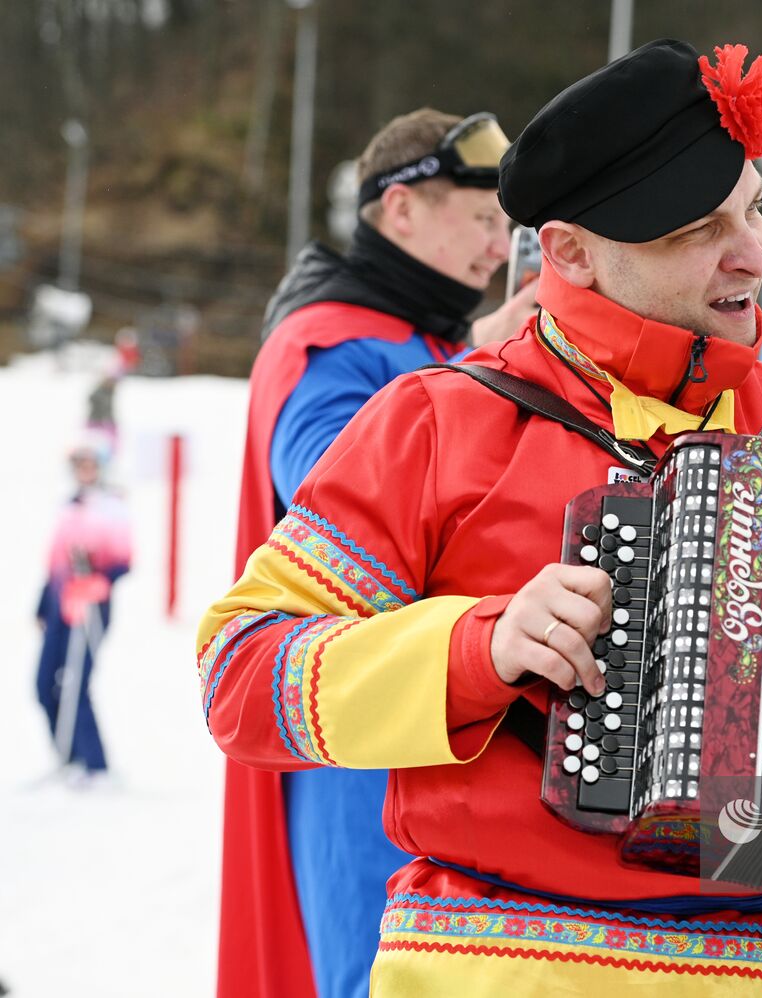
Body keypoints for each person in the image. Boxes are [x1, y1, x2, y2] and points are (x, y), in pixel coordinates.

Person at [200, 39, 762, 995]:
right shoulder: (436, 425)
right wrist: (475, 650)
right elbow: (240, 673)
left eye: (754, 207)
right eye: (696, 229)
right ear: (570, 252)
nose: (752, 253)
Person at [221, 108, 539, 998]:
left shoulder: (426, 342)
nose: (495, 248)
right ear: (400, 210)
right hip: (360, 733)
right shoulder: (327, 341)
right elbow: (336, 486)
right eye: (482, 220)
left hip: (439, 716)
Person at [36, 437, 132, 782]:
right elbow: (55, 559)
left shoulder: (111, 506)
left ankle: (95, 764)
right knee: (44, 682)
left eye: (91, 464)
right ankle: (69, 755)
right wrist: (42, 603)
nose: (85, 471)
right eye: (80, 464)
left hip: (91, 606)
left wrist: (98, 578)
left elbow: (123, 560)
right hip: (60, 604)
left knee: (76, 682)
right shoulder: (69, 505)